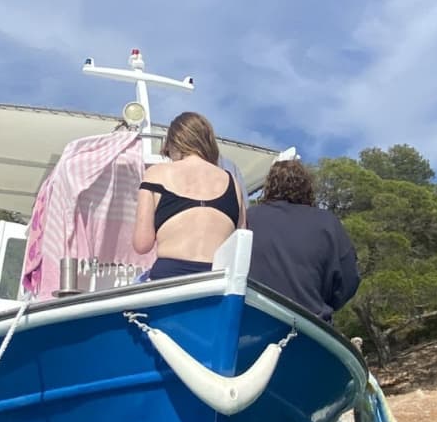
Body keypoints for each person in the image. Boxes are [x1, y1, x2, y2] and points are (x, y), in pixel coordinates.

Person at [133, 112, 245, 279]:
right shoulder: (232, 182)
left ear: (173, 144)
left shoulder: (155, 174)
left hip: (170, 278)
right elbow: (241, 245)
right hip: (218, 281)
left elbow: (142, 244)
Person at [247, 158, 360, 320]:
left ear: (269, 187)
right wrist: (326, 302)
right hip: (310, 322)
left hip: (253, 319)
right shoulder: (327, 222)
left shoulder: (247, 218)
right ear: (307, 187)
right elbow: (349, 279)